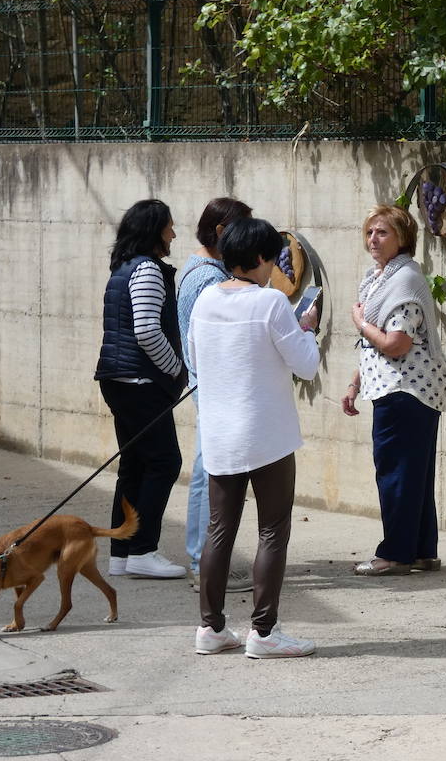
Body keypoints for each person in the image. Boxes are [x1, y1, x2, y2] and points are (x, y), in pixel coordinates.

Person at [189, 216, 321, 658]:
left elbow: (196, 356)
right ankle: (264, 632)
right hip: (267, 434)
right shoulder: (270, 303)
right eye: (272, 260)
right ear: (262, 258)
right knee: (272, 531)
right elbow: (306, 365)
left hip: (220, 433)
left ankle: (210, 628)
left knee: (219, 530)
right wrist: (309, 328)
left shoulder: (205, 299)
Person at [342, 204, 446, 577]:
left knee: (396, 474)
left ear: (403, 238)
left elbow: (395, 344)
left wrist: (359, 323)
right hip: (397, 388)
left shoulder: (403, 281)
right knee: (413, 475)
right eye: (370, 232)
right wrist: (356, 382)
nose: (373, 239)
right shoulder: (379, 279)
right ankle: (421, 551)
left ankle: (395, 554)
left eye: (383, 232)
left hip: (406, 390)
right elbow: (377, 346)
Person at [94, 199, 188, 579]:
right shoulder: (147, 270)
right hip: (140, 382)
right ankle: (143, 549)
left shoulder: (123, 268)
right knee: (165, 462)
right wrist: (176, 370)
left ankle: (122, 552)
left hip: (119, 380)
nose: (174, 234)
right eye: (169, 227)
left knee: (134, 465)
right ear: (154, 231)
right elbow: (147, 329)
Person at [177, 196, 254, 593]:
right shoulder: (209, 279)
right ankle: (202, 562)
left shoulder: (196, 267)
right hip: (215, 388)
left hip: (207, 386)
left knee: (209, 472)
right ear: (222, 233)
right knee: (212, 475)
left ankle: (200, 559)